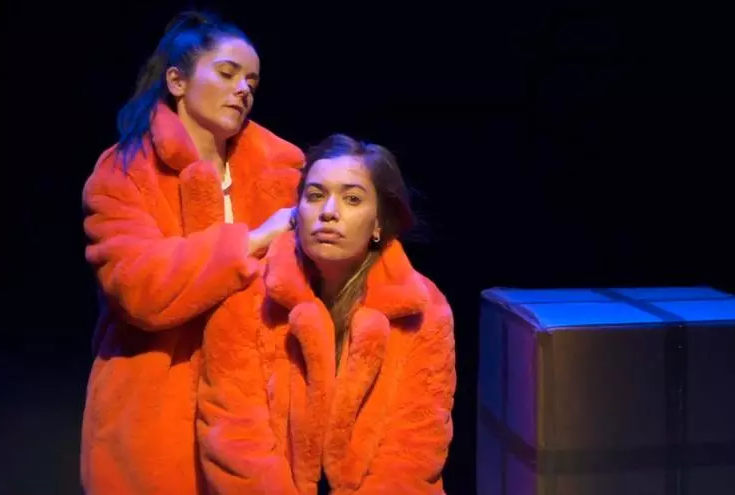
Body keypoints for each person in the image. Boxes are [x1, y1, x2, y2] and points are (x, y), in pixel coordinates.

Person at [80, 10, 305, 494]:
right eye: (227, 73)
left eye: (252, 81)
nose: (243, 89)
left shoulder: (283, 174)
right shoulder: (124, 172)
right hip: (154, 411)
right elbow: (139, 286)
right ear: (177, 82)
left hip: (254, 424)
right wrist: (251, 241)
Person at [196, 134, 457, 494]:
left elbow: (414, 447)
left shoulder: (425, 308)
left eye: (352, 199)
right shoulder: (248, 299)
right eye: (315, 195)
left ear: (378, 223)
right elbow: (234, 436)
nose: (329, 211)